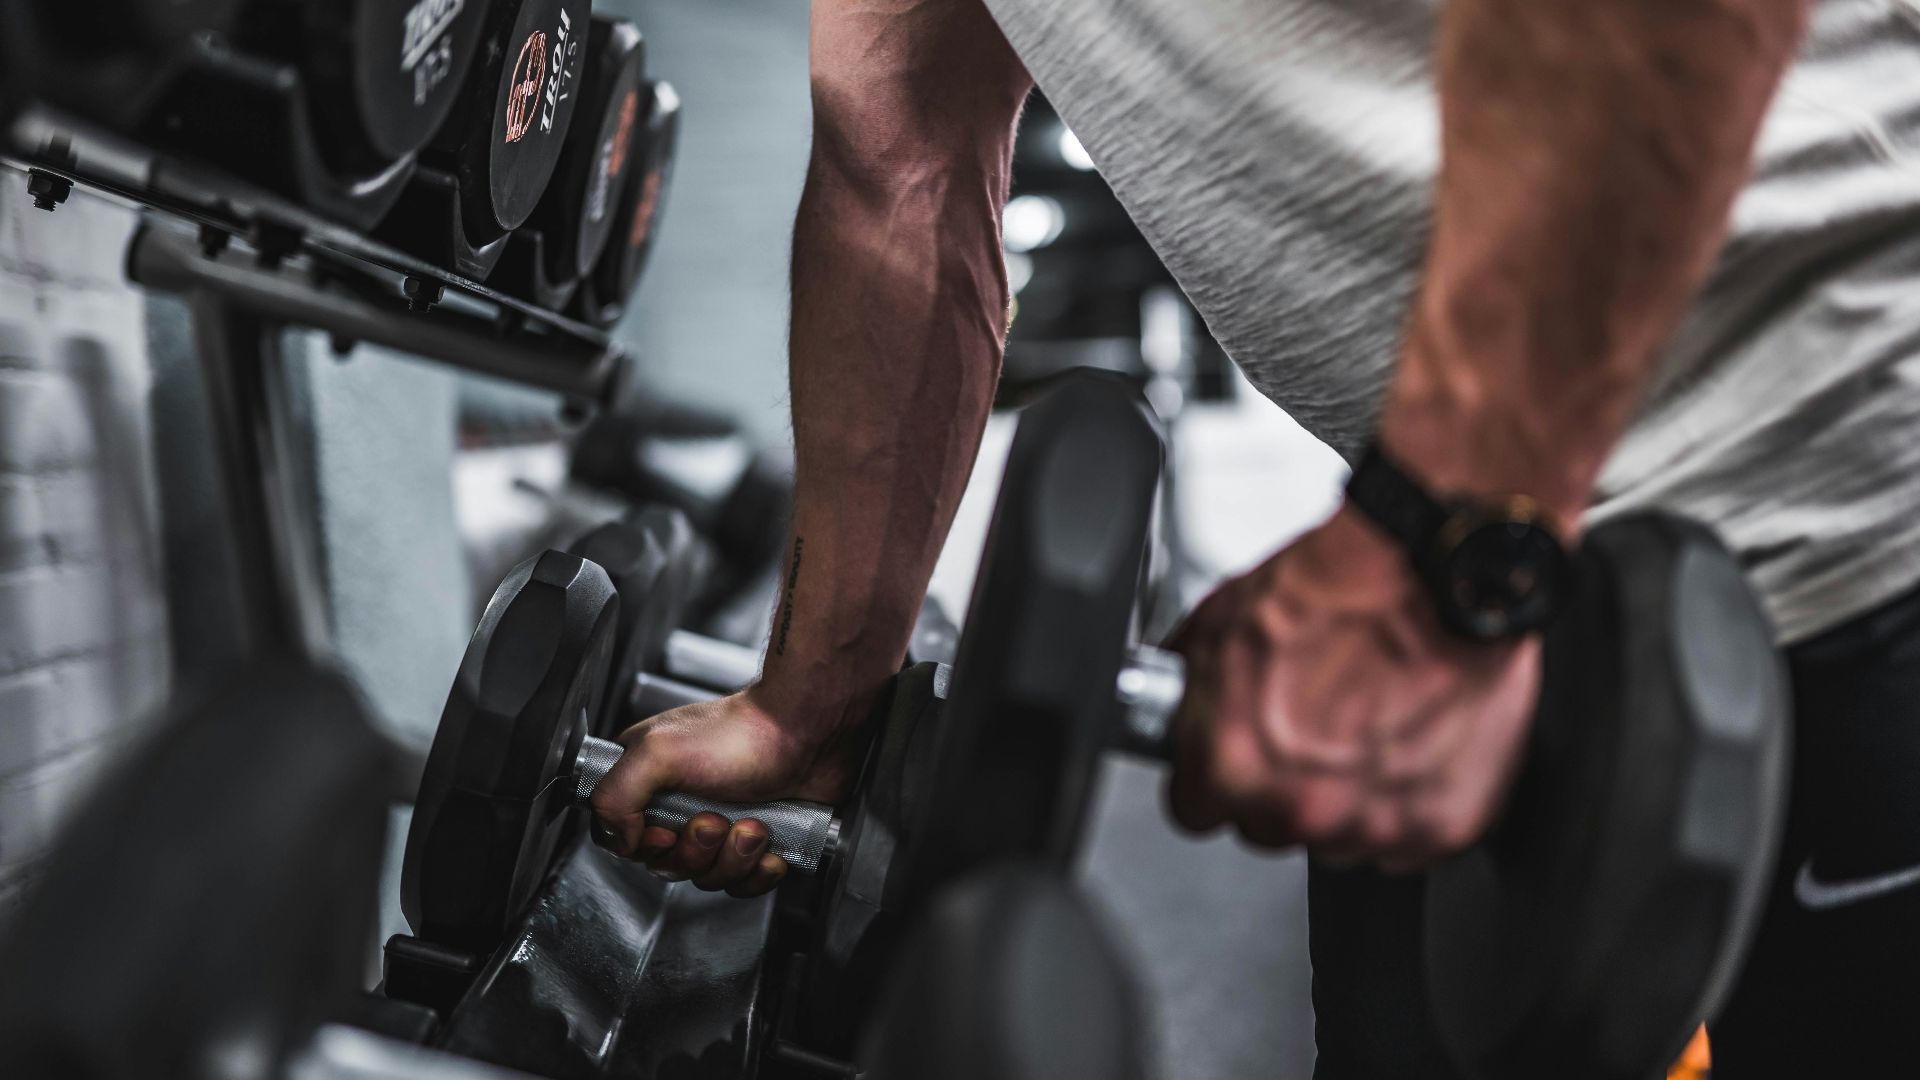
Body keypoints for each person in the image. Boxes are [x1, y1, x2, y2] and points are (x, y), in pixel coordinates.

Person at [593, 0, 1920, 1073]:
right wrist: (819, 696)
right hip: (1505, 564)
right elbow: (900, 165)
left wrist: (1440, 553)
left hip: (1854, 506)